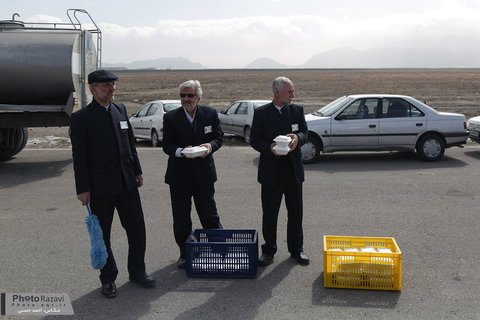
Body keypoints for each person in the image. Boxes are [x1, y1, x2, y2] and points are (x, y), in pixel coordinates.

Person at [71, 70, 155, 298]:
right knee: (103, 235)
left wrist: (137, 170)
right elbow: (79, 157)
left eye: (113, 84)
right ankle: (108, 278)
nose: (112, 89)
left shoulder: (120, 110)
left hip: (127, 183)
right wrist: (83, 188)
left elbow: (130, 144)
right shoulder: (81, 118)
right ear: (93, 88)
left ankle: (137, 272)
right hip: (100, 188)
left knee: (137, 230)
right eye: (106, 85)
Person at [162, 80, 223, 269]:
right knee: (181, 219)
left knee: (209, 215)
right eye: (183, 95)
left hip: (204, 175)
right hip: (179, 177)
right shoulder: (171, 117)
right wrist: (181, 151)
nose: (186, 99)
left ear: (198, 97)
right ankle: (184, 253)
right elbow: (167, 146)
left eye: (190, 95)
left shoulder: (210, 114)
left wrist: (209, 146)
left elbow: (218, 138)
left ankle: (218, 249)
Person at [250, 76, 310, 266]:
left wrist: (297, 138)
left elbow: (306, 133)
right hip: (271, 172)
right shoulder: (261, 113)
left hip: (293, 172)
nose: (293, 95)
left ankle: (296, 250)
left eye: (293, 91)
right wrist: (270, 148)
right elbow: (254, 140)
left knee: (296, 213)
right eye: (289, 92)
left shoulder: (297, 110)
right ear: (277, 93)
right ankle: (268, 251)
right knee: (270, 213)